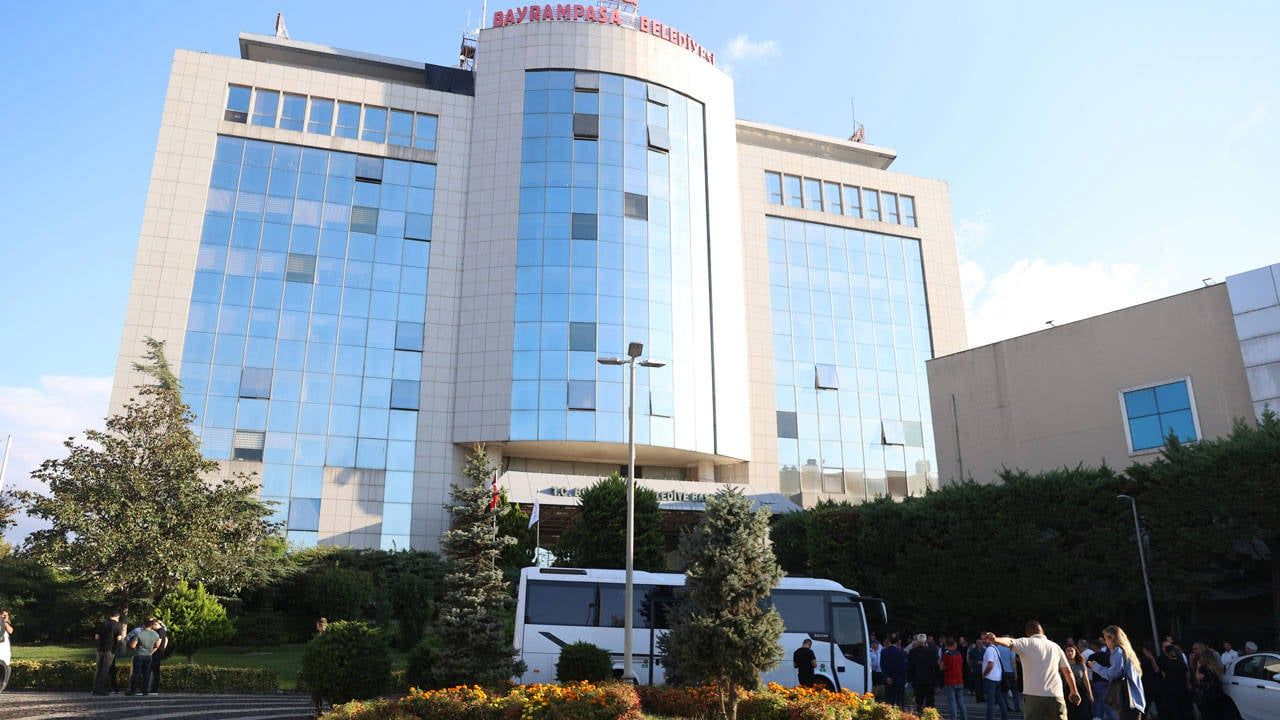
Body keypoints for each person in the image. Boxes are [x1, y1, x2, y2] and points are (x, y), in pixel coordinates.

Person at [984, 622, 1080, 720]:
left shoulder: (1026, 643)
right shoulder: (1056, 647)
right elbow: (1067, 671)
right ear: (1042, 631)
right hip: (1056, 694)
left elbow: (1009, 641)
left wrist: (995, 639)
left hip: (1034, 695)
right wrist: (1074, 691)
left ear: (1027, 633)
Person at [1088, 625, 1146, 720]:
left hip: (1127, 701)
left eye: (1106, 639)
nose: (1105, 642)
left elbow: (1113, 674)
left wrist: (1096, 667)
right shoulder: (1129, 652)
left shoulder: (1118, 651)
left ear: (1112, 638)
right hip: (1136, 701)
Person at [93, 610, 126, 696]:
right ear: (117, 616)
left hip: (100, 648)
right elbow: (119, 638)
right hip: (110, 649)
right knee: (105, 669)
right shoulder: (118, 625)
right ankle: (100, 689)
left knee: (98, 669)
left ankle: (95, 689)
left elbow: (96, 637)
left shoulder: (102, 624)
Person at [1156, 644, 1193, 720]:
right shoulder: (1179, 662)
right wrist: (1188, 683)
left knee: (1177, 709)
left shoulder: (1169, 662)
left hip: (1174, 689)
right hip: (1178, 688)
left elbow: (1162, 673)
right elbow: (1187, 673)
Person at [126, 618, 161, 696]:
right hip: (148, 655)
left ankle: (133, 690)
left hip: (139, 654)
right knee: (146, 673)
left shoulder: (139, 634)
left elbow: (133, 645)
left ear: (144, 625)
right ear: (151, 625)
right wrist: (151, 651)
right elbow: (157, 645)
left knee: (136, 673)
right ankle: (145, 690)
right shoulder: (156, 634)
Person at [1193, 650, 1229, 720]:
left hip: (1209, 694)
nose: (1200, 658)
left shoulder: (1203, 667)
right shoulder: (1215, 667)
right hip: (1218, 692)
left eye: (1201, 657)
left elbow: (1197, 677)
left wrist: (1197, 667)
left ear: (1204, 657)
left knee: (1209, 714)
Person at [983, 634, 1009, 720]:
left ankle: (989, 718)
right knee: (1000, 700)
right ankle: (1005, 717)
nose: (983, 641)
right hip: (997, 678)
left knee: (990, 701)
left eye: (985, 639)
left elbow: (990, 664)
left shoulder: (989, 649)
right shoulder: (995, 649)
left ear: (990, 640)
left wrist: (984, 674)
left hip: (990, 678)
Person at [909, 633, 938, 712]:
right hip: (929, 679)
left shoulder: (912, 652)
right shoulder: (931, 652)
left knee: (919, 701)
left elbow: (910, 667)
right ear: (925, 641)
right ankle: (930, 715)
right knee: (929, 701)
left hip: (917, 679)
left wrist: (910, 678)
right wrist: (936, 680)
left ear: (918, 641)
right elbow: (935, 666)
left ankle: (920, 714)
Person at [1064, 645, 1094, 720]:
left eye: (1072, 651)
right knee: (1070, 713)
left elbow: (1085, 680)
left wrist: (1090, 693)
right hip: (1066, 690)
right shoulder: (1062, 665)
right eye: (1068, 651)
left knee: (1083, 713)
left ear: (1076, 652)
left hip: (1080, 690)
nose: (1070, 653)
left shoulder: (1081, 665)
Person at [942, 639, 969, 720]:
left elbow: (942, 666)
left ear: (947, 645)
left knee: (952, 702)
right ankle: (964, 717)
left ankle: (954, 718)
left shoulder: (947, 654)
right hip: (959, 679)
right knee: (961, 701)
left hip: (950, 680)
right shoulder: (959, 654)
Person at [996, 636, 1022, 713]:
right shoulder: (1011, 648)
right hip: (1010, 672)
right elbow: (1013, 661)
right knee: (1014, 691)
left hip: (1001, 672)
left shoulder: (998, 648)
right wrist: (1015, 673)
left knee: (1004, 691)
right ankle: (1017, 707)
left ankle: (1005, 707)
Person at [882, 634, 909, 708]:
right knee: (900, 701)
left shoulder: (884, 652)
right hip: (899, 679)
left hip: (888, 680)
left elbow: (882, 666)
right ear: (898, 642)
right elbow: (903, 667)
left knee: (889, 701)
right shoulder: (902, 652)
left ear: (889, 641)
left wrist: (887, 677)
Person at [148, 618, 169, 695]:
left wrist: (150, 653)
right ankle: (153, 689)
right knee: (155, 671)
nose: (151, 628)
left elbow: (158, 644)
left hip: (156, 654)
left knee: (154, 671)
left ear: (155, 624)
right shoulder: (162, 631)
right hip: (158, 653)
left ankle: (154, 689)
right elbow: (166, 641)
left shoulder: (160, 631)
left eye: (152, 625)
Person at [969, 635, 988, 702]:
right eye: (978, 643)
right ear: (976, 643)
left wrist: (983, 662)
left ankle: (983, 697)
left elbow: (987, 660)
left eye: (980, 643)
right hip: (976, 669)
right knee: (977, 684)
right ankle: (978, 698)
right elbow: (970, 660)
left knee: (983, 685)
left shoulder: (984, 650)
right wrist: (971, 667)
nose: (979, 644)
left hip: (983, 670)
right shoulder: (973, 651)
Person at [0, 610, 12, 693]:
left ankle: (2, 686)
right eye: (3, 615)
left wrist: (4, 622)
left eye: (6, 615)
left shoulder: (5, 624)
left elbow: (11, 631)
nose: (5, 617)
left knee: (7, 668)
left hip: (5, 651)